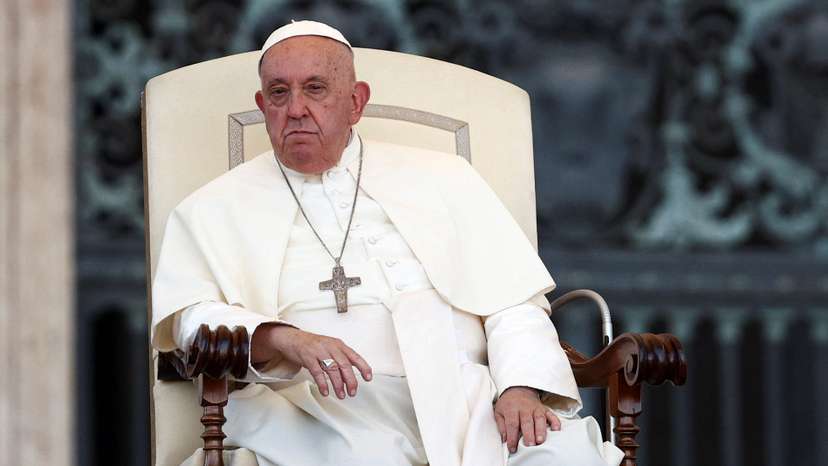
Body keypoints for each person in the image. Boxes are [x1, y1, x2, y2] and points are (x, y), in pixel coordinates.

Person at [151, 20, 624, 466]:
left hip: (467, 399)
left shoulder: (446, 178)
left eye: (315, 88)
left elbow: (513, 303)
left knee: (565, 457)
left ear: (356, 102)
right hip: (314, 412)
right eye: (279, 92)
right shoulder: (211, 209)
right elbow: (191, 319)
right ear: (262, 105)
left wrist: (519, 387)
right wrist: (284, 338)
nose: (295, 109)